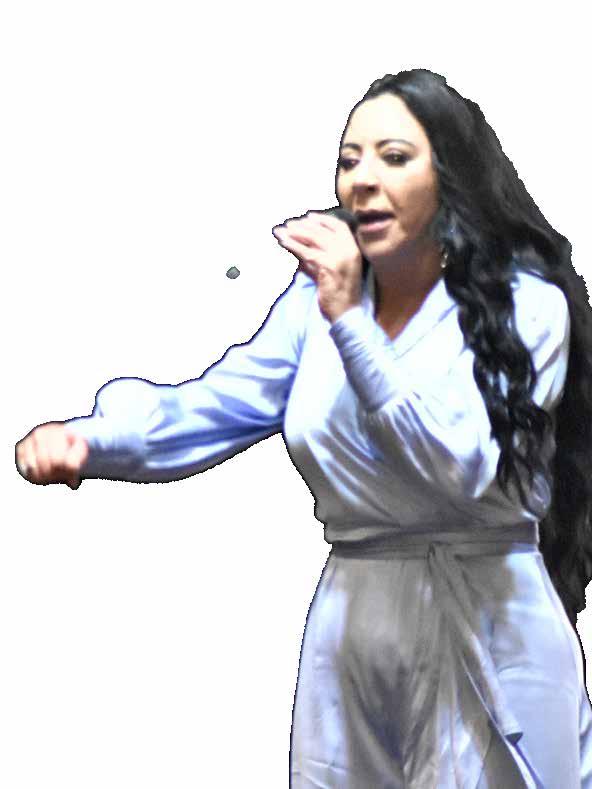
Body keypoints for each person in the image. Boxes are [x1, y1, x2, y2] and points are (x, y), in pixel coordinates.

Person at [14, 68, 592, 787]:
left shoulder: (525, 307)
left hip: (492, 621)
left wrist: (351, 319)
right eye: (349, 160)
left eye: (393, 157)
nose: (362, 179)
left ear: (450, 177)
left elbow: (460, 462)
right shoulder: (310, 308)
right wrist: (93, 441)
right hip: (357, 620)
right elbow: (216, 404)